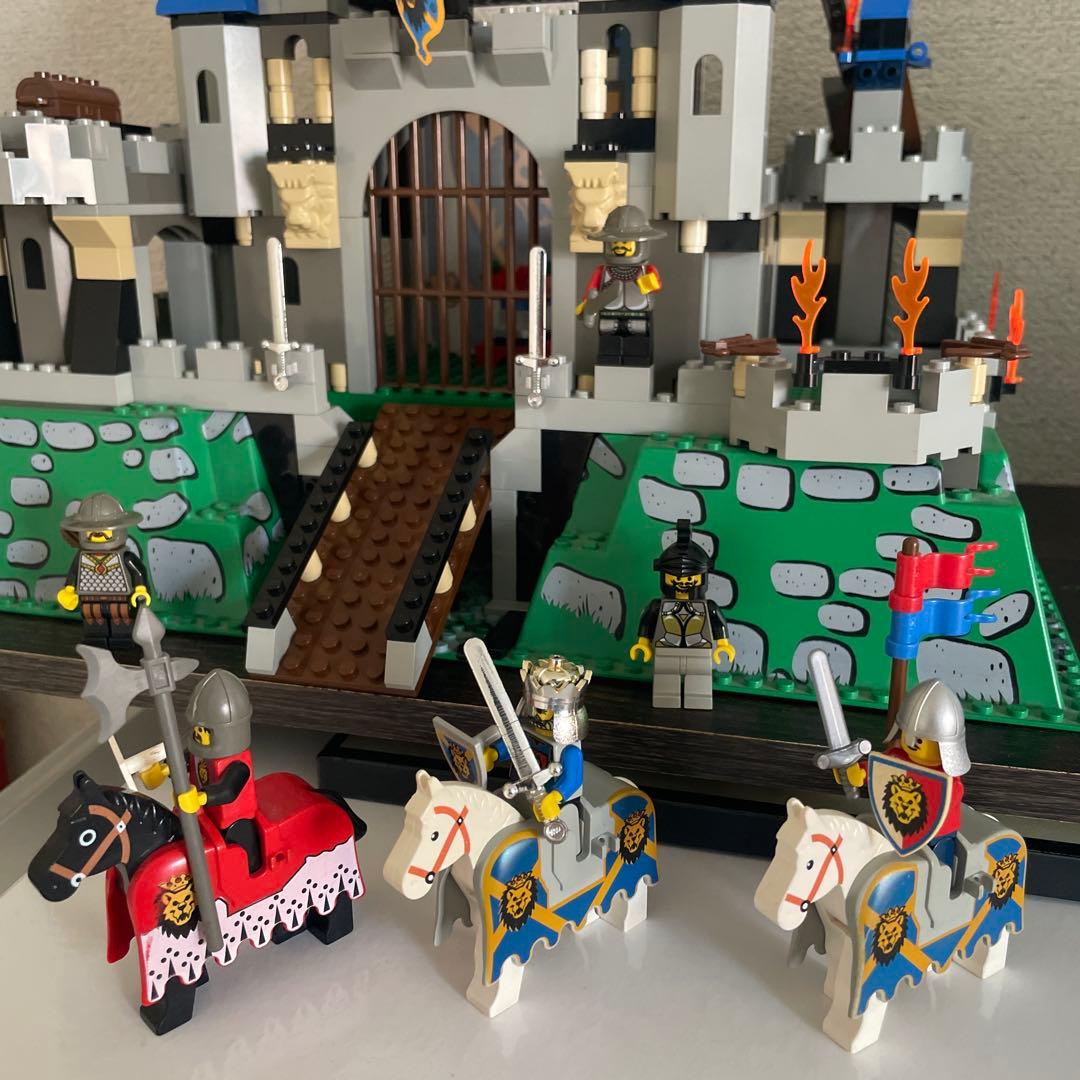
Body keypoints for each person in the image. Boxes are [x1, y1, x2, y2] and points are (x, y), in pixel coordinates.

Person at [839, 678, 970, 872]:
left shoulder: (946, 777)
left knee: (940, 869)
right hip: (898, 828)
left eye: (923, 739)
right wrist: (860, 773)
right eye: (911, 734)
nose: (914, 743)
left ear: (944, 745)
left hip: (938, 834)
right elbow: (880, 770)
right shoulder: (897, 756)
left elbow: (948, 796)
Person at [630, 519, 735, 709]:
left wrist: (723, 644)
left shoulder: (708, 606)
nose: (683, 583)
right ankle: (666, 698)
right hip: (666, 648)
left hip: (699, 649)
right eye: (675, 579)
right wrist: (643, 643)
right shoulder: (657, 605)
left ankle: (698, 698)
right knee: (665, 680)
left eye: (690, 579)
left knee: (699, 680)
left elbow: (717, 622)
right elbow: (648, 621)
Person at [484, 655, 591, 841]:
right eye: (538, 709)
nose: (541, 716)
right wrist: (493, 753)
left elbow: (572, 779)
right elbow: (515, 747)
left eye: (548, 711)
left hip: (556, 808)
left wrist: (556, 796)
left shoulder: (569, 750)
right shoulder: (529, 732)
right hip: (522, 792)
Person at [56, 493, 150, 649]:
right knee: (93, 621)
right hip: (89, 599)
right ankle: (96, 643)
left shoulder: (126, 557)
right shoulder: (81, 557)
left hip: (121, 600)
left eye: (105, 531)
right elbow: (74, 573)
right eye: (90, 532)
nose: (97, 535)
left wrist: (140, 590)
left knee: (122, 620)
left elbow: (138, 572)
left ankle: (123, 643)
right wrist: (69, 590)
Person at [576, 205, 664, 366]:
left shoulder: (647, 269)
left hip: (639, 313)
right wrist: (587, 307)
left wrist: (644, 280)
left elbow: (655, 286)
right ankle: (609, 361)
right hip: (609, 312)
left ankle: (637, 362)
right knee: (608, 343)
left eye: (625, 242)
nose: (619, 247)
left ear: (640, 245)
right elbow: (591, 290)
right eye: (615, 243)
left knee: (638, 344)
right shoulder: (602, 271)